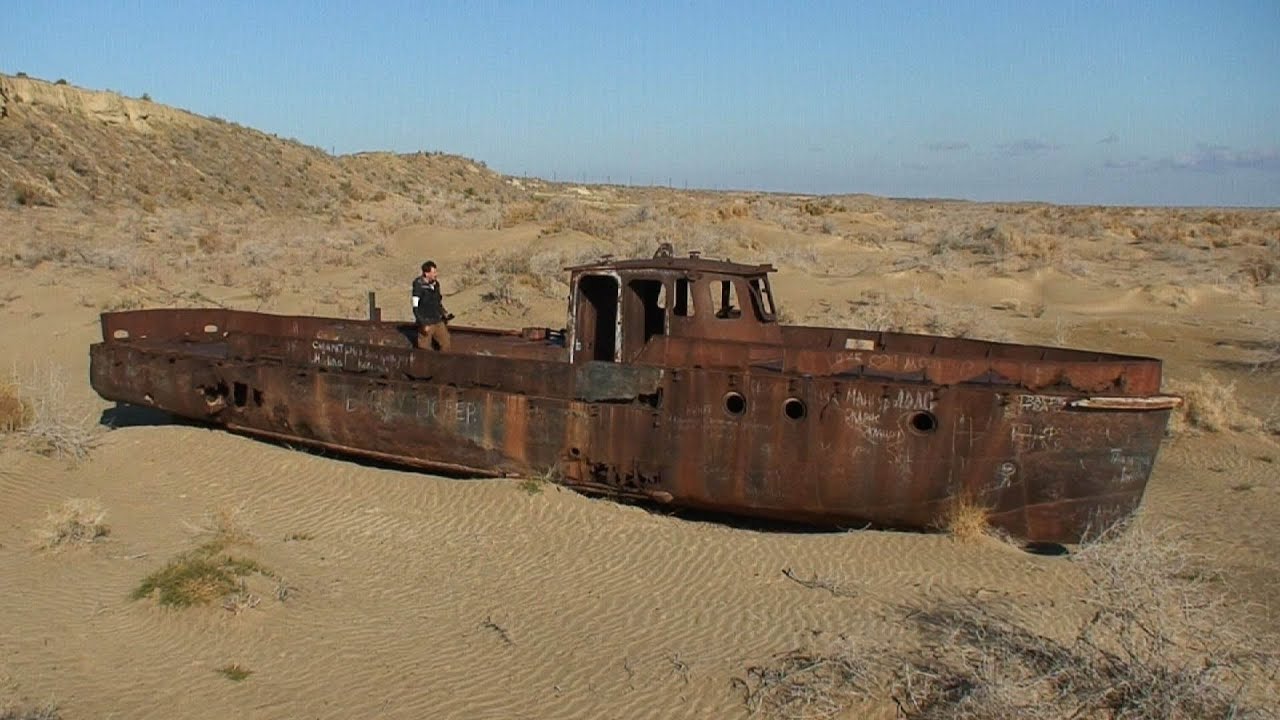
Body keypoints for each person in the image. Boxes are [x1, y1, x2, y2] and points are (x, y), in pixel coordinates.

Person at [411, 260, 453, 351]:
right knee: (424, 349)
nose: (436, 274)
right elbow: (415, 308)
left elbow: (437, 302)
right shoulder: (418, 286)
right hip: (426, 322)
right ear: (426, 273)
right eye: (433, 272)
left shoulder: (436, 285)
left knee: (446, 343)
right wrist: (422, 324)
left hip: (437, 320)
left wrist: (444, 313)